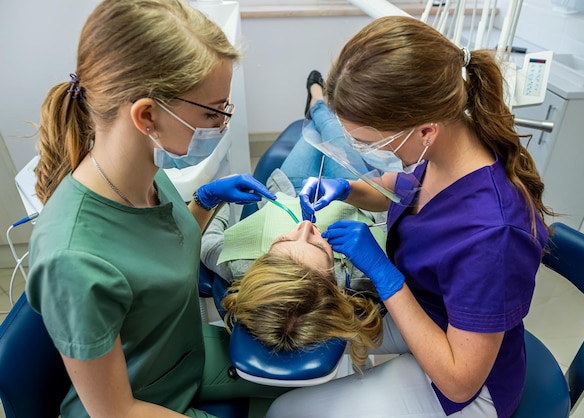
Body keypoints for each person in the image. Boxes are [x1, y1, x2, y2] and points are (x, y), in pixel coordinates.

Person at [267, 16, 554, 418]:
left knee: (285, 413)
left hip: (465, 387)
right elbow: (402, 186)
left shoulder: (494, 235)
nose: (363, 154)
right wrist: (350, 189)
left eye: (370, 142)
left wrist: (384, 274)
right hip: (426, 311)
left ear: (425, 130)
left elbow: (459, 380)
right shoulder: (446, 150)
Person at [25, 1, 287, 417]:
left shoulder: (143, 171)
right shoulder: (73, 259)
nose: (221, 124)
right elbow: (117, 412)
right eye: (211, 111)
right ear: (147, 116)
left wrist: (205, 200)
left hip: (183, 360)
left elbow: (158, 250)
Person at [201, 71, 385, 367]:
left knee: (310, 132)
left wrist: (217, 199)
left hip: (293, 184)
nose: (305, 226)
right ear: (334, 284)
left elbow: (206, 238)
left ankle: (317, 103)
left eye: (284, 239)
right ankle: (319, 102)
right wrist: (360, 196)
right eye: (319, 245)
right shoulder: (365, 275)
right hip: (352, 191)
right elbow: (393, 219)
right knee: (337, 134)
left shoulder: (238, 265)